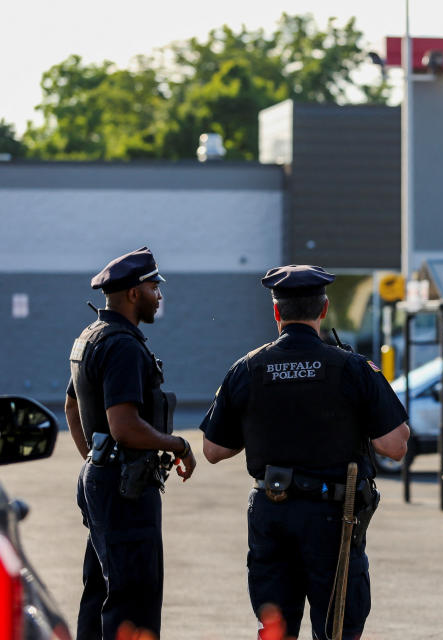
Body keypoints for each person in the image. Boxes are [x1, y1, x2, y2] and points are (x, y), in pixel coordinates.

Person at [199, 264, 409, 640]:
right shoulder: (353, 368)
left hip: (271, 513)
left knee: (277, 629)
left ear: (277, 312)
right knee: (338, 627)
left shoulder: (246, 369)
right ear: (324, 309)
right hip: (333, 517)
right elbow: (394, 446)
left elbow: (214, 449)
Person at [64, 246, 197, 640]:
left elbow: (72, 406)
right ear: (135, 293)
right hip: (125, 490)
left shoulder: (91, 335)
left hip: (104, 481)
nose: (160, 296)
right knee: (133, 600)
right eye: (155, 287)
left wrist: (94, 458)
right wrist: (178, 445)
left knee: (102, 591)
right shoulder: (122, 344)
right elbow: (125, 426)